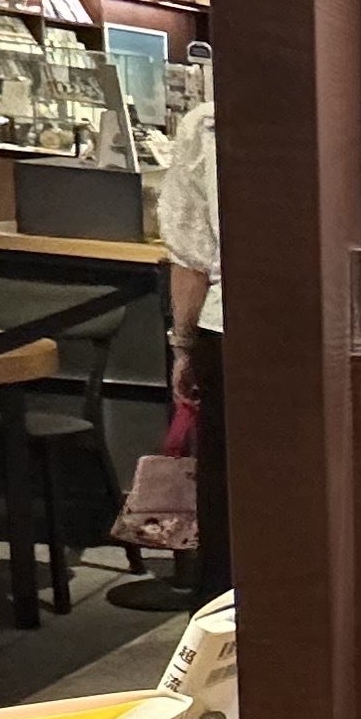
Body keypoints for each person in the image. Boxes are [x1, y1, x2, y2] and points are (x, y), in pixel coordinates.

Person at [156, 87, 228, 601]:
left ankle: (221, 636)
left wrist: (183, 348)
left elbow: (190, 259)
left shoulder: (209, 126)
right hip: (337, 334)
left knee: (228, 508)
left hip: (231, 332)